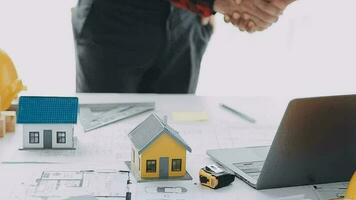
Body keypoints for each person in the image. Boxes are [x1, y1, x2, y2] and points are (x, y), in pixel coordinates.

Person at [71, 0, 294, 94]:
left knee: (172, 133)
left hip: (188, 19)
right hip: (115, 21)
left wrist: (266, 5)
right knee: (106, 133)